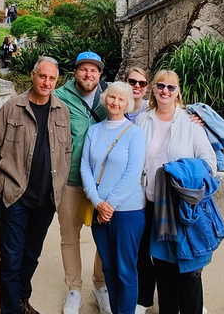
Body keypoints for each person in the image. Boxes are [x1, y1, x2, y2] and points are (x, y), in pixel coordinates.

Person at [0, 57, 72, 314]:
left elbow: (66, 150)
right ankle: (10, 310)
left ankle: (22, 299)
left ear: (57, 81)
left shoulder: (61, 110)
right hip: (14, 196)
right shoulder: (12, 107)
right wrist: (1, 182)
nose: (46, 82)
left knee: (31, 254)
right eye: (42, 76)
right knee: (12, 258)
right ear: (33, 75)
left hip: (46, 199)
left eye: (52, 78)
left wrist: (61, 185)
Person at [135, 70, 217, 314]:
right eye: (160, 86)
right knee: (163, 266)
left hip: (180, 207)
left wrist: (180, 173)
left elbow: (209, 164)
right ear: (153, 88)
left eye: (171, 87)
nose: (165, 91)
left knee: (189, 268)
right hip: (150, 204)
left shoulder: (190, 124)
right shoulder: (143, 120)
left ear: (178, 92)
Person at [81, 82, 146, 314]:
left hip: (127, 211)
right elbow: (86, 167)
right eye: (112, 97)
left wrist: (110, 204)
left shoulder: (134, 134)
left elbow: (133, 173)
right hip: (99, 209)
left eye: (121, 99)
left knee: (125, 270)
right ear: (105, 98)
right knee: (108, 267)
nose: (115, 103)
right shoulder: (94, 131)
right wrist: (98, 202)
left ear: (128, 104)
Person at [53, 52, 111, 314]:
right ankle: (74, 289)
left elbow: (142, 110)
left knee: (105, 237)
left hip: (102, 182)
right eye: (84, 70)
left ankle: (100, 286)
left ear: (100, 74)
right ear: (75, 72)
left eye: (94, 71)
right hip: (71, 180)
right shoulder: (60, 97)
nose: (89, 75)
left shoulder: (108, 98)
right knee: (69, 236)